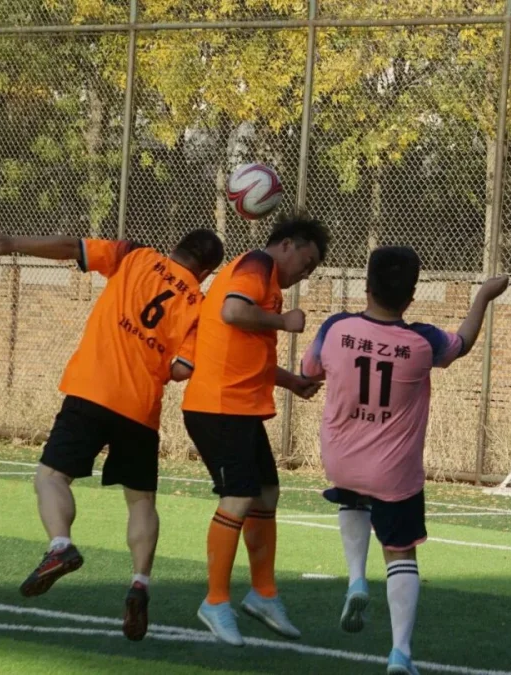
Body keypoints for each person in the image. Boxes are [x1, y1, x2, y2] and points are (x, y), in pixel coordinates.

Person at [0, 229, 224, 642]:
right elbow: (182, 369)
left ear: (175, 247)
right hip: (140, 407)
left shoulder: (135, 256)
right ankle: (139, 583)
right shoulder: (199, 305)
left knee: (51, 477)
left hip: (91, 391)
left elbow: (70, 247)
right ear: (205, 272)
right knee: (141, 501)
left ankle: (61, 545)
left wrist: (14, 243)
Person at [300, 246, 508, 675]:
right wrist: (483, 296)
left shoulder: (336, 328)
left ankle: (356, 579)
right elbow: (463, 343)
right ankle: (400, 653)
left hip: (341, 460)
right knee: (401, 552)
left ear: (367, 286)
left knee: (352, 497)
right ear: (412, 296)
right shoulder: (423, 342)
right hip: (392, 473)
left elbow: (309, 370)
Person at [179, 213, 329, 646]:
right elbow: (232, 312)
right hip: (218, 407)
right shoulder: (257, 265)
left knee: (266, 493)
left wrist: (291, 381)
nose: (307, 271)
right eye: (307, 260)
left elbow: (248, 353)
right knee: (240, 496)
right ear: (287, 244)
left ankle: (263, 594)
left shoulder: (267, 283)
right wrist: (284, 322)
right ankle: (215, 601)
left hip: (239, 408)